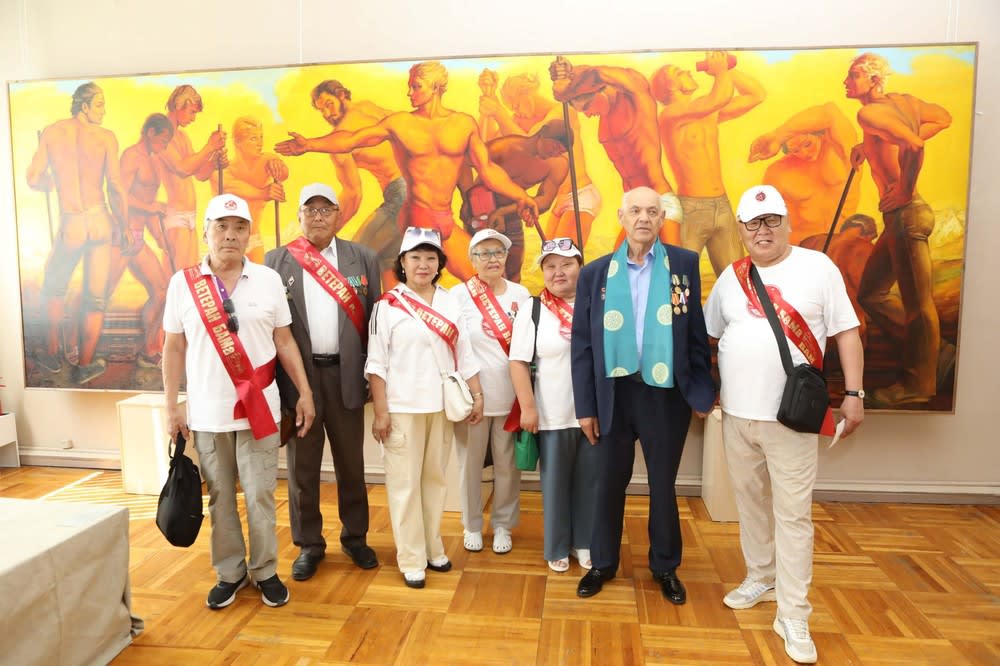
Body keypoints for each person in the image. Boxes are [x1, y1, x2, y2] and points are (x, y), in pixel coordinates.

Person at [704, 185, 864, 664]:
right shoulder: (731, 278)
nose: (763, 230)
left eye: (771, 220)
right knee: (750, 503)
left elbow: (847, 333)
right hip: (737, 415)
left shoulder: (819, 268)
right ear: (740, 230)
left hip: (792, 418)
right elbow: (711, 336)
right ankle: (761, 576)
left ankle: (794, 612)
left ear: (787, 223)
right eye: (753, 223)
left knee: (793, 515)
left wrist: (854, 394)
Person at [162, 193, 315, 610]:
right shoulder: (183, 284)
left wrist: (304, 392)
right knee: (221, 497)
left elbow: (284, 341)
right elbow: (173, 347)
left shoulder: (267, 280)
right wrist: (171, 406)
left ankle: (265, 571)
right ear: (206, 232)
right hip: (208, 413)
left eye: (239, 227)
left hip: (259, 410)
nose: (230, 235)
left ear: (249, 234)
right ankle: (230, 572)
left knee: (261, 494)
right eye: (222, 226)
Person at [571, 186, 714, 604]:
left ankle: (665, 566)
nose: (644, 218)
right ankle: (602, 563)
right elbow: (582, 345)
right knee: (608, 482)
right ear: (621, 217)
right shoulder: (595, 274)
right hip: (613, 394)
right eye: (635, 210)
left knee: (662, 484)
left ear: (662, 218)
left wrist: (701, 391)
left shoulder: (683, 265)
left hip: (665, 396)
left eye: (652, 211)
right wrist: (586, 407)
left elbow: (696, 333)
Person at [276, 62, 538, 282]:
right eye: (410, 86)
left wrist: (521, 196)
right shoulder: (400, 123)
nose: (409, 93)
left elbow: (488, 169)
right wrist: (309, 145)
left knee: (482, 283)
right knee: (371, 272)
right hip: (415, 216)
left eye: (416, 86)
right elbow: (352, 139)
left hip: (443, 219)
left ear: (435, 87)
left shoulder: (463, 124)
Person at [265, 183, 382, 580]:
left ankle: (356, 537)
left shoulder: (362, 258)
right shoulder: (275, 261)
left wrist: (372, 377)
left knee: (352, 463)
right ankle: (309, 545)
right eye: (310, 209)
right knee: (303, 468)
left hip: (346, 376)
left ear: (338, 215)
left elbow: (374, 323)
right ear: (299, 215)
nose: (318, 216)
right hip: (300, 381)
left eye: (325, 209)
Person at [366, 227, 485, 588]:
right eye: (415, 257)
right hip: (401, 409)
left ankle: (433, 547)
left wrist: (477, 395)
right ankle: (411, 557)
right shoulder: (386, 306)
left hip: (441, 407)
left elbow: (464, 354)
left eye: (430, 257)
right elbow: (376, 364)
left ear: (439, 263)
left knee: (434, 481)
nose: (423, 264)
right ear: (402, 262)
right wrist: (382, 413)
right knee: (404, 485)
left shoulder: (450, 302)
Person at [844, 52, 952, 407]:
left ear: (873, 79)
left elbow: (914, 144)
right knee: (870, 294)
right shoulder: (903, 103)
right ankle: (936, 352)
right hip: (898, 219)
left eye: (854, 75)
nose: (846, 81)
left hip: (907, 212)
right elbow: (944, 118)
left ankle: (918, 384)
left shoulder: (869, 113)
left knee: (918, 305)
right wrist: (873, 144)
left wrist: (905, 187)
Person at [26, 82, 128, 384]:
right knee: (95, 299)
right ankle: (85, 364)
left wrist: (51, 183)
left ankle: (52, 355)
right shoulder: (106, 138)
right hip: (100, 221)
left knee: (53, 289)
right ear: (84, 106)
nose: (104, 111)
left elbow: (33, 178)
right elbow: (115, 188)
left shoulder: (52, 132)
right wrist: (123, 225)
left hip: (72, 223)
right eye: (99, 104)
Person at [510, 238, 598, 572]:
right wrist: (528, 408)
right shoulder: (533, 310)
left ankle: (585, 542)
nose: (558, 272)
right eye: (550, 266)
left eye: (566, 264)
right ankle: (557, 545)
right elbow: (518, 362)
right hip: (551, 413)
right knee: (555, 484)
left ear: (581, 267)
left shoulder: (596, 305)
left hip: (592, 414)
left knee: (590, 481)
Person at [275, 80, 406, 283]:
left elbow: (353, 196)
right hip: (412, 192)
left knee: (353, 260)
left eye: (329, 104)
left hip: (400, 198)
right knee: (387, 264)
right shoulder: (368, 108)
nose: (327, 114)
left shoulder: (337, 142)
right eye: (322, 110)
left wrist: (320, 237)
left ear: (342, 95)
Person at [651, 51, 765, 275]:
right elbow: (718, 98)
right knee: (680, 281)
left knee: (737, 279)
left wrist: (728, 67)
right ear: (670, 87)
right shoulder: (670, 115)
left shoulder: (705, 112)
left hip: (721, 205)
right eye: (679, 72)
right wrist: (720, 71)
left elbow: (756, 95)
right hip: (691, 209)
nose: (687, 71)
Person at [452, 229, 530, 555]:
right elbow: (454, 347)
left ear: (507, 257)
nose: (492, 259)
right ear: (472, 260)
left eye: (498, 252)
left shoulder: (521, 295)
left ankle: (502, 525)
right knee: (469, 465)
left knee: (507, 465)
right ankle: (471, 524)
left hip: (510, 398)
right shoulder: (458, 295)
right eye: (483, 253)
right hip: (473, 399)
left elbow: (527, 347)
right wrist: (472, 393)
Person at [549, 57, 683, 245]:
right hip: (632, 207)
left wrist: (574, 72)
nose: (588, 114)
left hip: (659, 201)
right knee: (617, 264)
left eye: (587, 107)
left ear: (599, 90)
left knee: (674, 263)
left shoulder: (636, 98)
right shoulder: (604, 119)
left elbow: (605, 74)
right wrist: (564, 77)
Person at [478, 71, 601, 244]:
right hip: (558, 199)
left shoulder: (562, 111)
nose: (517, 112)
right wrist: (488, 109)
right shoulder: (521, 120)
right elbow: (487, 146)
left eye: (516, 105)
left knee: (564, 255)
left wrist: (498, 113)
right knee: (550, 255)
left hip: (580, 196)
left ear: (527, 93)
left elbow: (530, 144)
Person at [459, 120, 570, 281]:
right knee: (482, 272)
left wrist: (504, 212)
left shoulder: (557, 165)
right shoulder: (506, 148)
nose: (555, 153)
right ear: (542, 134)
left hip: (511, 215)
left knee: (513, 272)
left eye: (561, 151)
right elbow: (462, 161)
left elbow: (544, 201)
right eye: (554, 146)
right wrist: (468, 198)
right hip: (480, 212)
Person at [111, 113, 174, 369]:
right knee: (99, 296)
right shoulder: (131, 156)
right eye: (163, 140)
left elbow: (148, 207)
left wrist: (159, 238)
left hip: (137, 238)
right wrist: (151, 207)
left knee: (161, 292)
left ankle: (148, 350)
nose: (165, 146)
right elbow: (119, 197)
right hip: (120, 236)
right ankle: (74, 347)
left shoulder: (153, 161)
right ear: (150, 132)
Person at [748, 102, 861, 244]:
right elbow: (774, 223)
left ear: (820, 134)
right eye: (795, 151)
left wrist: (777, 136)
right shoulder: (778, 172)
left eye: (807, 144)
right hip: (805, 245)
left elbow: (830, 111)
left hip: (842, 241)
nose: (804, 153)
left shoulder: (841, 149)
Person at [159, 85, 228, 272]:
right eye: (191, 112)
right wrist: (209, 146)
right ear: (179, 105)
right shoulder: (162, 134)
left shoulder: (182, 136)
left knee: (191, 275)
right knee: (179, 277)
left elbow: (199, 173)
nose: (193, 118)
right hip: (175, 216)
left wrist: (214, 162)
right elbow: (182, 169)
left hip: (190, 216)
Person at [800, 214, 878, 345]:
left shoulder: (810, 242)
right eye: (871, 238)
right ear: (866, 231)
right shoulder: (866, 249)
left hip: (806, 328)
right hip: (847, 330)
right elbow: (868, 293)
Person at [223, 116, 288, 263]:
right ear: (238, 142)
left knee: (261, 275)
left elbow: (284, 173)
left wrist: (277, 165)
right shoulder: (225, 170)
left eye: (261, 137)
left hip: (253, 239)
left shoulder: (265, 160)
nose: (260, 143)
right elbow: (232, 186)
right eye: (253, 139)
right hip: (228, 241)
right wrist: (263, 193)